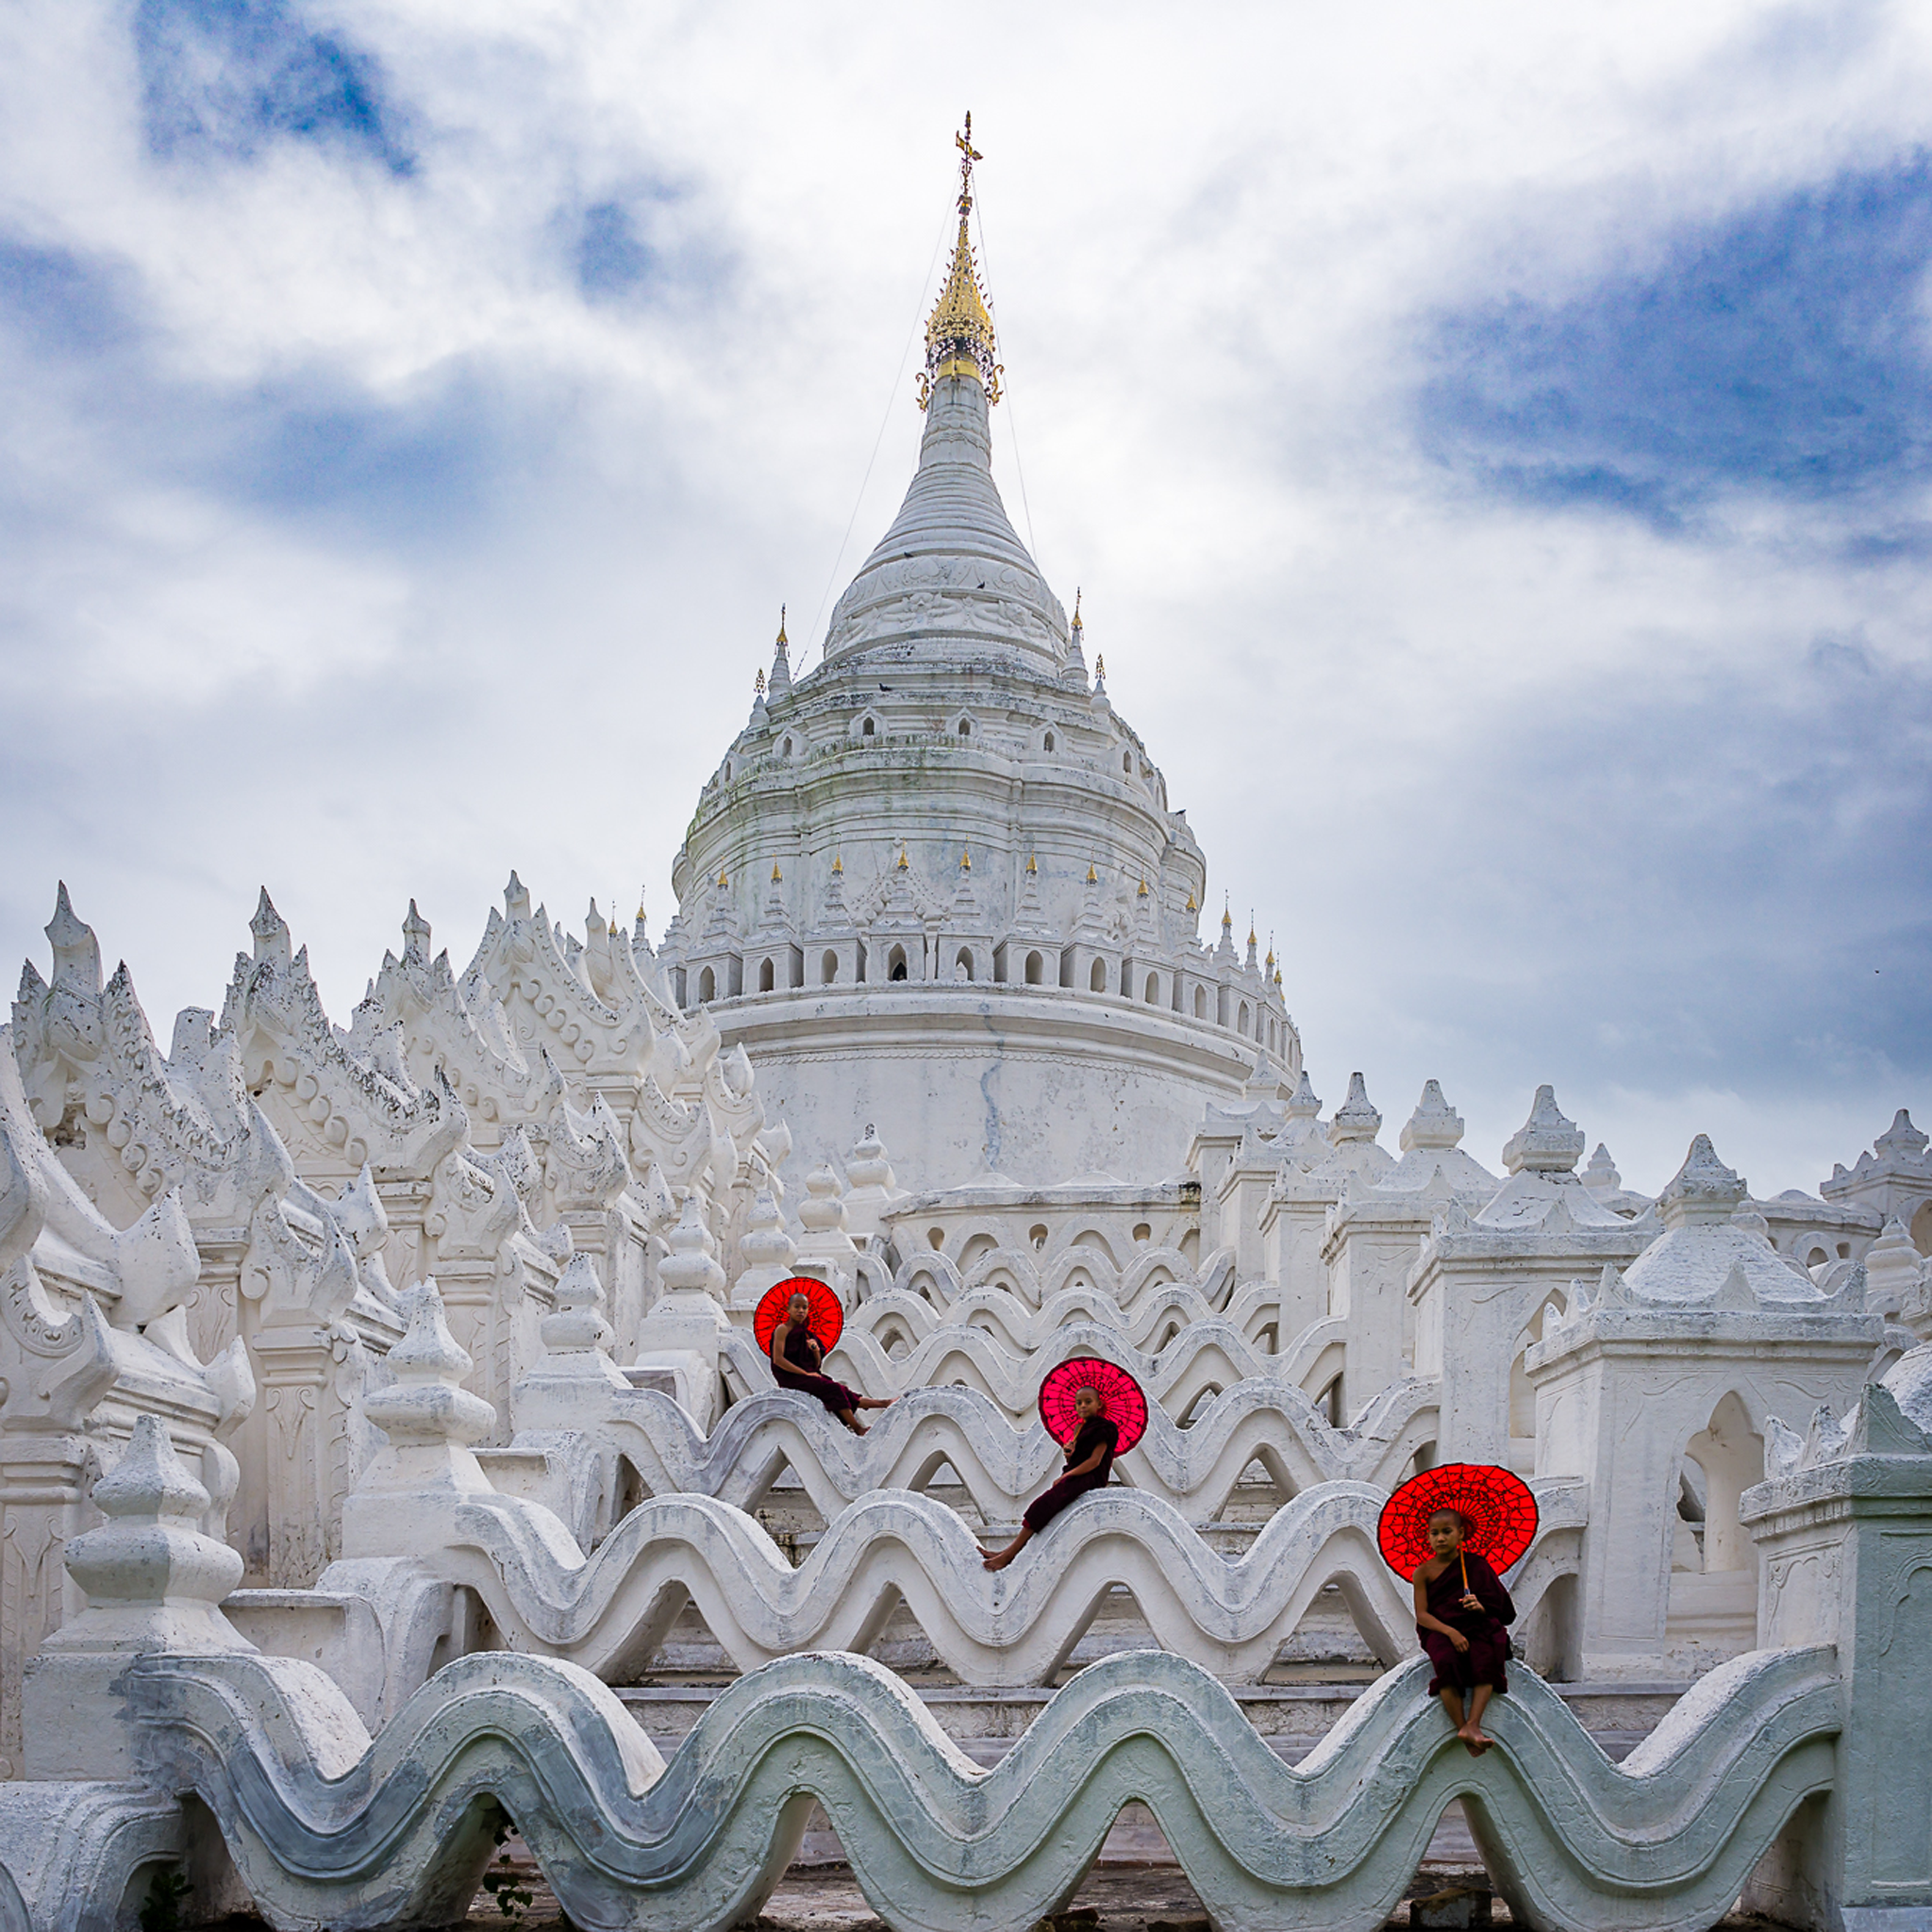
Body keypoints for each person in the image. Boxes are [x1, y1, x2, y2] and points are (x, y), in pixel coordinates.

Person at [1413, 1507, 1516, 1755]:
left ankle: (1474, 1724)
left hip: (1474, 1625)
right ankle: (1463, 1728)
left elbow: (1503, 1611)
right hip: (1439, 1630)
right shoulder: (1423, 1572)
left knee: (1486, 1656)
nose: (1440, 1538)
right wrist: (1450, 1633)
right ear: (1427, 1537)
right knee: (1446, 1661)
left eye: (1447, 1532)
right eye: (1434, 1533)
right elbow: (1423, 1615)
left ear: (1461, 1533)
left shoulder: (1476, 1566)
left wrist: (1479, 1607)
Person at [983, 1384, 1119, 1571]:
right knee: (1041, 1506)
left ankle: (1009, 1555)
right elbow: (1079, 1458)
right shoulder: (1079, 1428)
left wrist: (1067, 1476)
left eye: (1088, 1402)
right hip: (1075, 1475)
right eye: (1079, 1403)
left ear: (1099, 1404)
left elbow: (1094, 1461)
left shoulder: (1105, 1429)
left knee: (1043, 1505)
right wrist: (1069, 1454)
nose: (1083, 1406)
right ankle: (1007, 1551)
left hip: (1090, 1478)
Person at [769, 1290, 894, 1435]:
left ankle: (885, 1403)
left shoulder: (807, 1334)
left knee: (843, 1390)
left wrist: (815, 1350)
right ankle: (858, 1428)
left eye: (804, 1307)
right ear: (788, 1309)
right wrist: (805, 1374)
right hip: (790, 1377)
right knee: (834, 1390)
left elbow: (816, 1365)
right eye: (796, 1307)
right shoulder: (782, 1330)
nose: (801, 1311)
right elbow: (778, 1359)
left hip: (807, 1375)